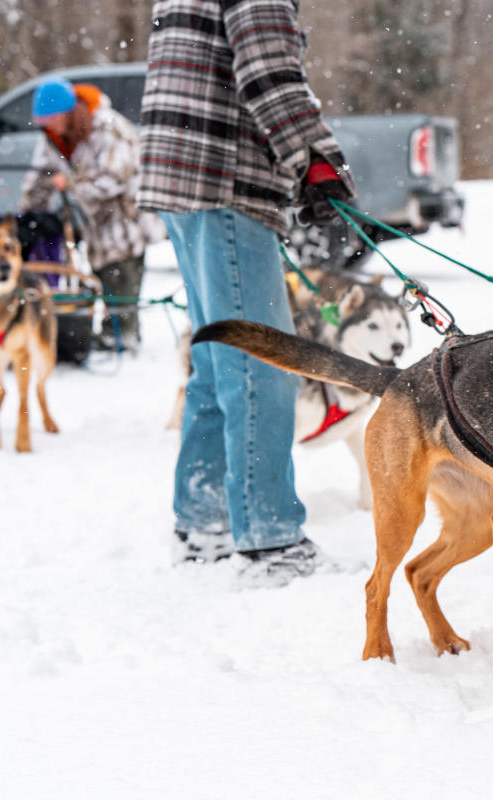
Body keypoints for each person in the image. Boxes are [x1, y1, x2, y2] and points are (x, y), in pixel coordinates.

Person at [137, 0, 355, 584]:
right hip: (222, 176)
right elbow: (266, 70)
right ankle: (270, 540)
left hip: (181, 173)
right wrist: (316, 159)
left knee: (216, 358)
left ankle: (204, 523)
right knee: (263, 365)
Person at [19, 77, 157, 353]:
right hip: (94, 220)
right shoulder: (54, 137)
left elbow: (114, 178)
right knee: (101, 273)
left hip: (125, 216)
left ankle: (123, 335)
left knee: (122, 273)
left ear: (67, 112)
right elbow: (39, 177)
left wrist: (70, 183)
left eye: (51, 118)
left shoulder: (108, 127)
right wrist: (25, 215)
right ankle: (110, 330)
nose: (47, 125)